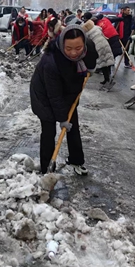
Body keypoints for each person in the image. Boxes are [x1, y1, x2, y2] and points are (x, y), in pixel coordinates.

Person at [30, 25, 98, 175]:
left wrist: (91, 68)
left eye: (78, 48)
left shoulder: (88, 48)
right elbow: (54, 95)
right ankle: (46, 168)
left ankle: (76, 160)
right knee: (48, 132)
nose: (74, 53)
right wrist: (62, 119)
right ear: (62, 45)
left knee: (73, 127)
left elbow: (92, 59)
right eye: (68, 49)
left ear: (84, 44)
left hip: (68, 93)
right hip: (44, 96)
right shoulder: (51, 62)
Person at [82, 19, 115, 86]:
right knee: (107, 62)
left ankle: (107, 79)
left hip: (99, 47)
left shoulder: (89, 34)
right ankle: (108, 78)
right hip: (105, 45)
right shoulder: (97, 29)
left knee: (103, 63)